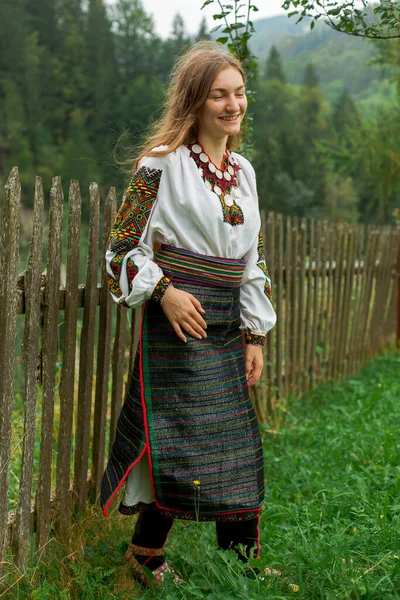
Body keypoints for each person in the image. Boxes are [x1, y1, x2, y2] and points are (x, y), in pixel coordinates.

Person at [101, 40, 276, 587]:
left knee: (237, 443)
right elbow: (121, 250)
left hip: (227, 328)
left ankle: (243, 565)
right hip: (176, 325)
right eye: (219, 95)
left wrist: (255, 334)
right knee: (177, 441)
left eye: (239, 93)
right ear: (195, 102)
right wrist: (164, 292)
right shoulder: (161, 164)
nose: (233, 105)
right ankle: (145, 555)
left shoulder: (243, 172)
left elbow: (252, 259)